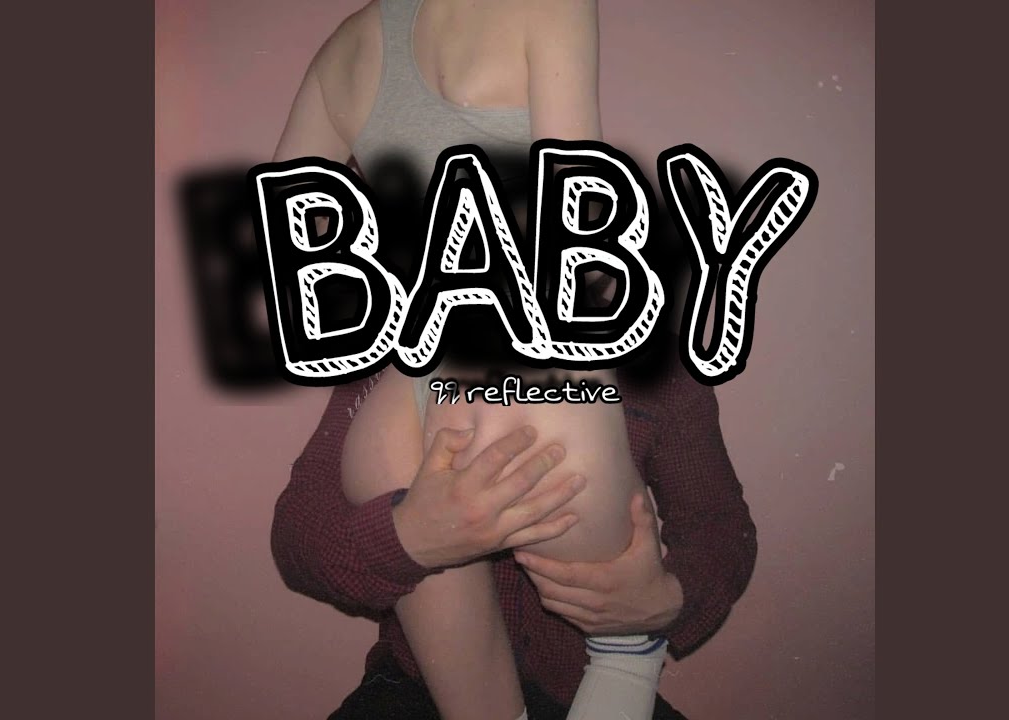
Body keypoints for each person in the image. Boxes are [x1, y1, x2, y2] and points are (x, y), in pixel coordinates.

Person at [269, 1, 758, 718]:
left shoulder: (344, 51)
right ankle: (584, 671)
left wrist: (664, 600)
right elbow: (298, 538)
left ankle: (627, 647)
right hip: (417, 686)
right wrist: (411, 539)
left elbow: (721, 528)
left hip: (586, 658)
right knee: (439, 428)